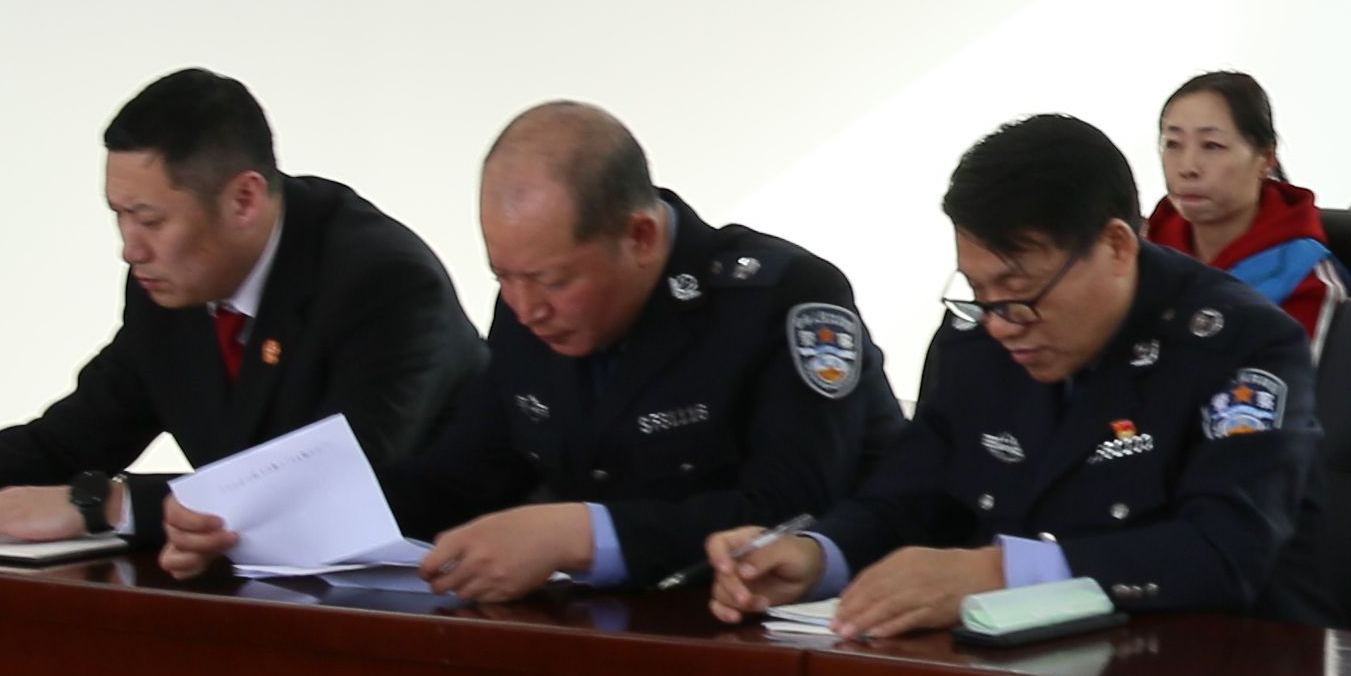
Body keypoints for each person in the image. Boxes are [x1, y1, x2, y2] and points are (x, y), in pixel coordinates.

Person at [0, 68, 473, 552]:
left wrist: (101, 504)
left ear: (243, 199)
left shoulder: (381, 281)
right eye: (118, 215)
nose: (129, 249)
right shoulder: (169, 284)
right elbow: (70, 441)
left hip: (441, 597)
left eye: (149, 219)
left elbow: (332, 485)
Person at [705, 115, 1320, 639]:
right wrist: (818, 555)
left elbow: (1225, 551)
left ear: (1116, 247)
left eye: (1019, 292)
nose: (1000, 324)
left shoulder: (1240, 343)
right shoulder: (977, 338)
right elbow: (908, 496)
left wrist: (998, 573)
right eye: (978, 291)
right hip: (1021, 672)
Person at [290, 103, 901, 603]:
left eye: (553, 281)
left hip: (810, 628)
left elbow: (790, 508)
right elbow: (462, 476)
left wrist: (580, 533)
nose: (526, 308)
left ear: (641, 237)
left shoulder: (780, 298)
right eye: (503, 276)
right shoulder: (527, 307)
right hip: (622, 629)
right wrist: (296, 521)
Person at [1147, 69, 1344, 345]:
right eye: (1173, 144)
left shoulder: (1304, 280)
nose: (1187, 167)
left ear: (1266, 159)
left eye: (1212, 146)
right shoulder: (1136, 257)